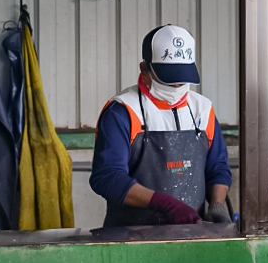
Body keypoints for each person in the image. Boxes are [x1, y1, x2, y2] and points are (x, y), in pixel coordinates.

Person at [90, 24, 232, 227]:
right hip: (132, 236)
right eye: (168, 79)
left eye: (181, 80)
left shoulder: (202, 109)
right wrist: (165, 204)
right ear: (144, 69)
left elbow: (217, 167)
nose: (176, 87)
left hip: (194, 231)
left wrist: (217, 204)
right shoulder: (122, 112)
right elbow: (107, 177)